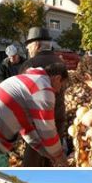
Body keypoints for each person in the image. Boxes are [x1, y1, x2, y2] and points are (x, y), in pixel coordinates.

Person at [0, 63, 69, 168]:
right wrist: (60, 157)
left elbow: (26, 129)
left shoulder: (27, 80)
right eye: (61, 86)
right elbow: (48, 131)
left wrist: (46, 153)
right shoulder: (43, 88)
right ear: (57, 78)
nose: (58, 91)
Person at [19, 27, 68, 167]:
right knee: (52, 155)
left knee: (32, 159)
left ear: (37, 45)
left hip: (36, 121)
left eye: (29, 46)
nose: (28, 50)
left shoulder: (29, 65)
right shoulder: (60, 62)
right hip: (58, 116)